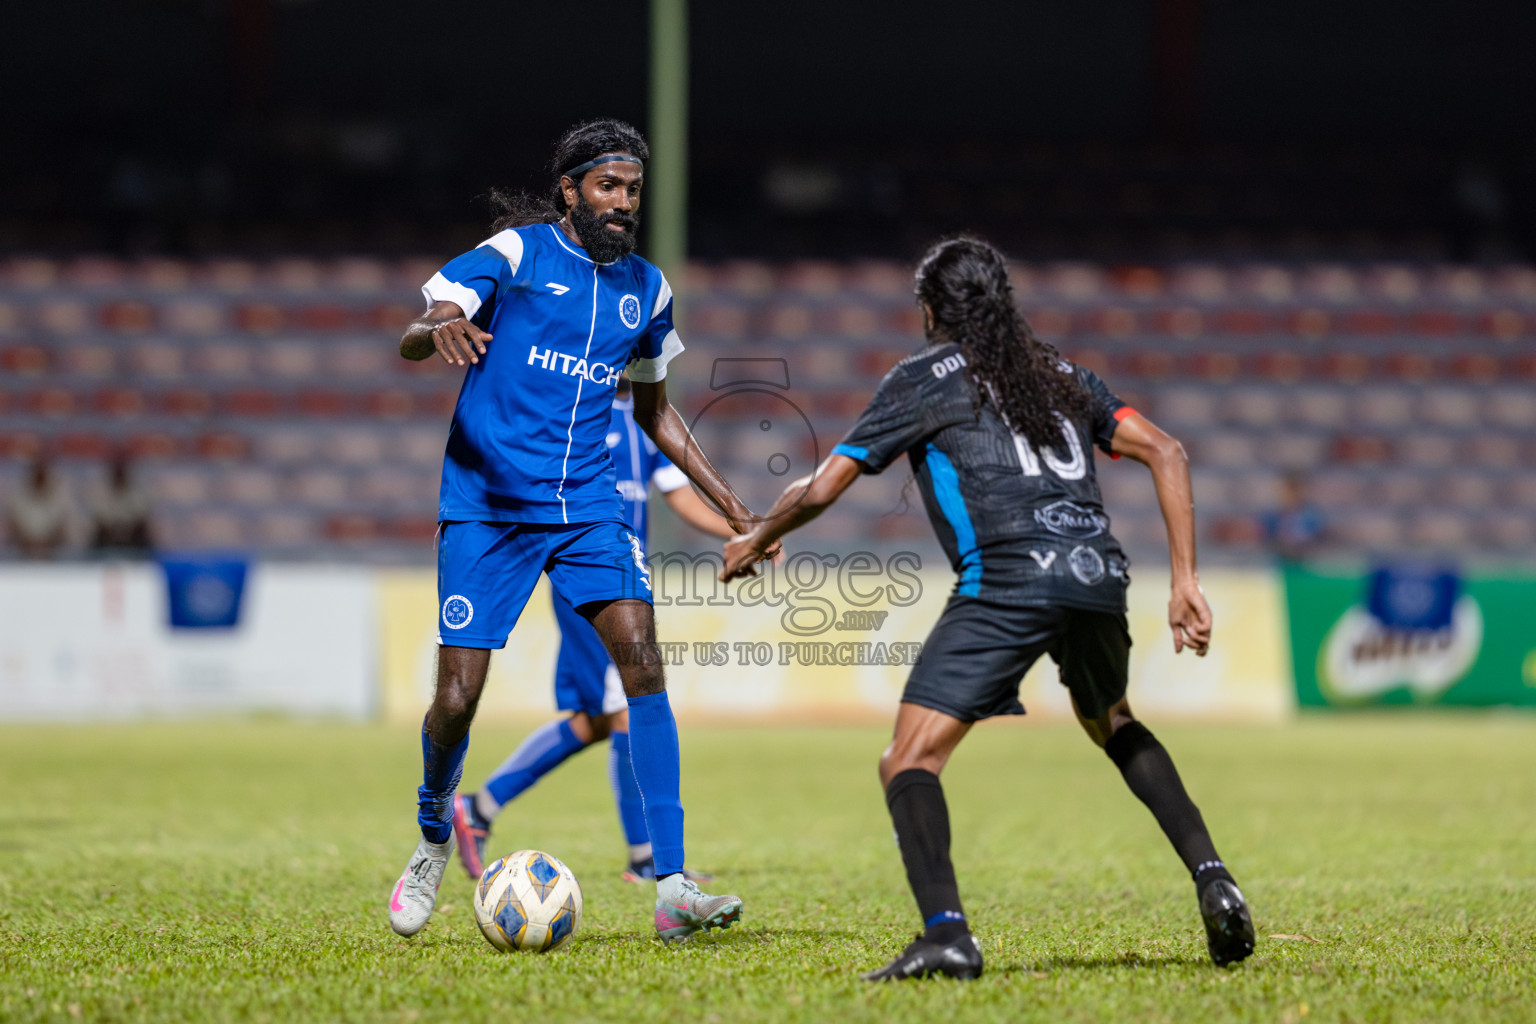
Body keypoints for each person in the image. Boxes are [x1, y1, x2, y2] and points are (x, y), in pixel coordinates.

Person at [721, 237, 1255, 980]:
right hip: (1097, 573)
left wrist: (757, 536)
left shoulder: (923, 378)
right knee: (1115, 721)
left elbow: (822, 488)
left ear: (931, 310)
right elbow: (1166, 450)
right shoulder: (1064, 375)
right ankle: (1214, 877)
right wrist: (1185, 581)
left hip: (1008, 578)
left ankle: (946, 934)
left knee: (907, 759)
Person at [390, 119, 775, 943]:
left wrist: (742, 511)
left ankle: (673, 883)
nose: (622, 203)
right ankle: (430, 838)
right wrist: (436, 330)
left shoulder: (647, 288)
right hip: (487, 507)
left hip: (588, 509)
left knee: (642, 667)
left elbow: (657, 414)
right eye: (608, 186)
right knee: (456, 700)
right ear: (570, 190)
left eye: (632, 189)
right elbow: (420, 326)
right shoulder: (519, 255)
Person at [451, 377, 739, 886]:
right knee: (627, 709)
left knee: (597, 717)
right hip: (581, 580)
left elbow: (679, 496)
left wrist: (740, 529)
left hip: (623, 580)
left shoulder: (649, 422)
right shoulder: (571, 411)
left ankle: (479, 805)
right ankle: (645, 856)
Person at [6, 454, 75, 559]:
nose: (40, 476)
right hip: (22, 549)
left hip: (54, 550)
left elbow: (63, 523)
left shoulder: (59, 494)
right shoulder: (18, 494)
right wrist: (29, 543)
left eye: (42, 473)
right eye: (37, 472)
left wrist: (48, 544)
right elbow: (13, 523)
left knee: (75, 531)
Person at [89, 452, 153, 555]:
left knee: (144, 533)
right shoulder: (101, 493)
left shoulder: (138, 492)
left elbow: (140, 518)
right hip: (107, 538)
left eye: (121, 471)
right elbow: (101, 520)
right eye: (117, 471)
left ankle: (143, 561)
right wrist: (115, 530)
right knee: (97, 535)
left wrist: (125, 530)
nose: (119, 474)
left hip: (133, 538)